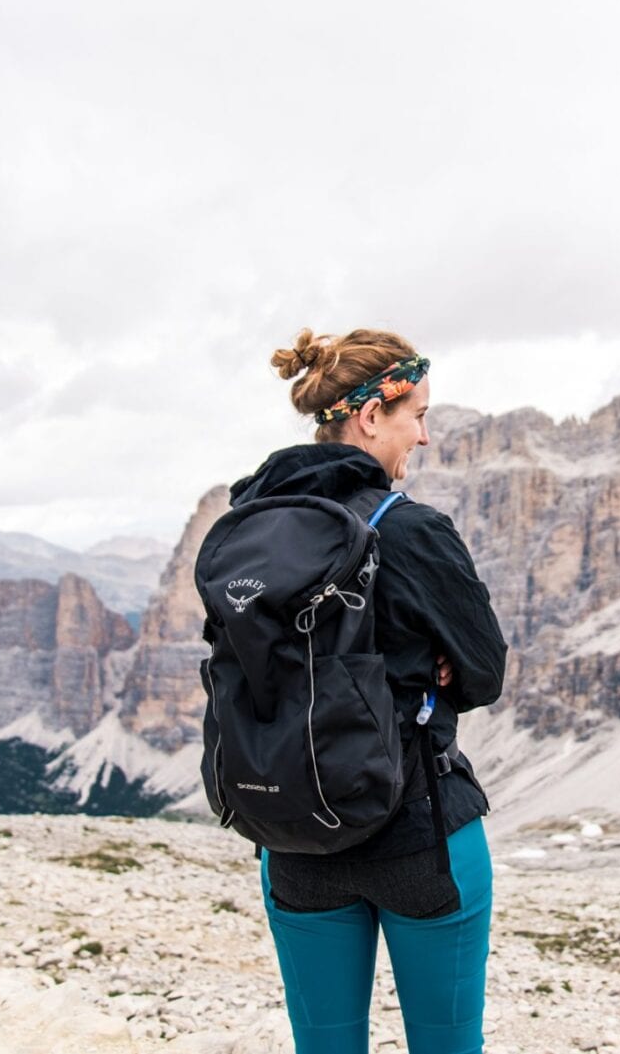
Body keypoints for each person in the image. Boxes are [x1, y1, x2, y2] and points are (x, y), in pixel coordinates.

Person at [228, 326, 508, 1054]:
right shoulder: (411, 530)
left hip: (295, 836)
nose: (423, 434)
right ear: (368, 415)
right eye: (416, 413)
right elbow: (484, 671)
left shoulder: (251, 526)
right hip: (420, 833)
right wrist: (434, 665)